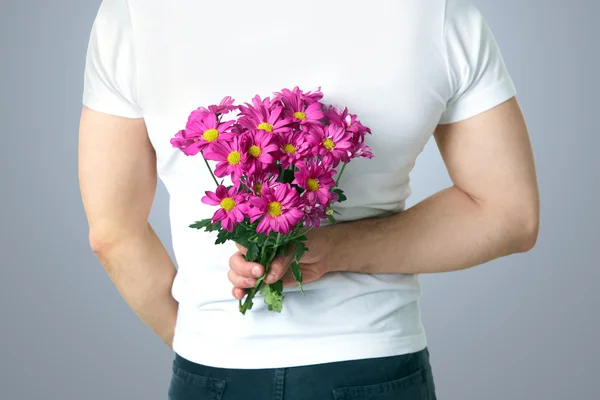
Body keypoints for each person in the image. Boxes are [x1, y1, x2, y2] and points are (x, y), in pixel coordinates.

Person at [78, 0, 539, 398]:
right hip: (374, 362)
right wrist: (334, 250)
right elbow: (506, 214)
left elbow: (112, 235)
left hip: (216, 370)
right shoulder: (434, 13)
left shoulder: (134, 15)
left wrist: (203, 339)